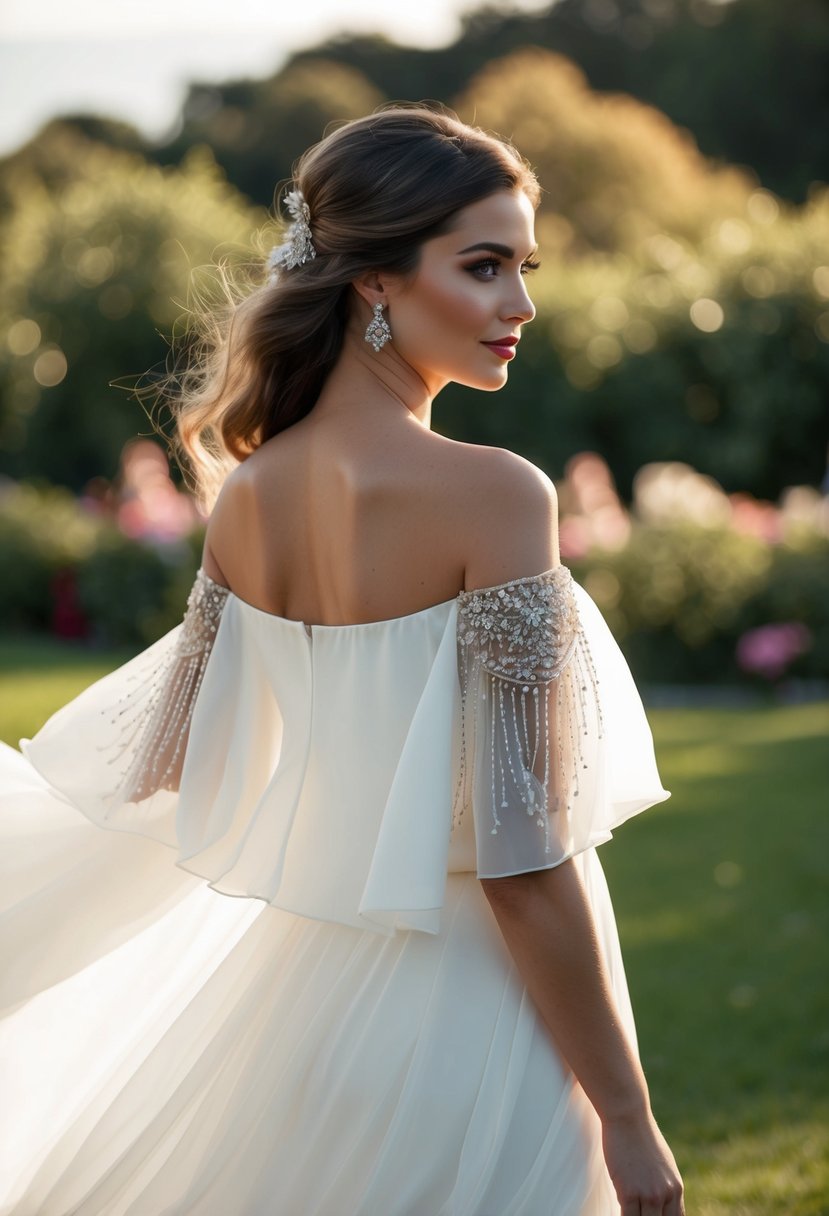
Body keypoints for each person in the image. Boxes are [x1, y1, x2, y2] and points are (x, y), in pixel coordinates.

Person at [0, 106, 684, 1215]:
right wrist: (627, 1117)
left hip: (297, 1025)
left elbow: (172, 769)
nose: (521, 304)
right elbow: (522, 861)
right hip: (473, 1031)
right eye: (483, 266)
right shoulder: (498, 495)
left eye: (524, 267)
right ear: (373, 280)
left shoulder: (251, 498)